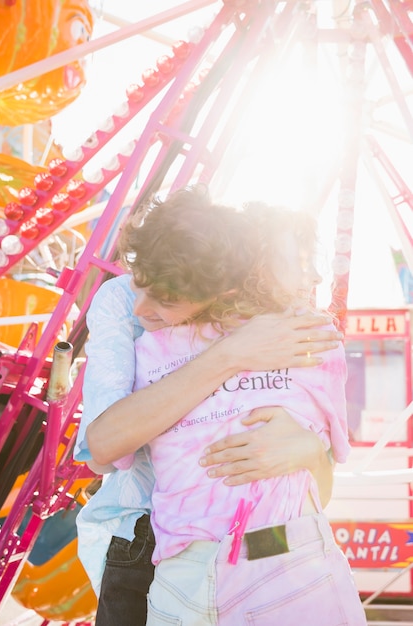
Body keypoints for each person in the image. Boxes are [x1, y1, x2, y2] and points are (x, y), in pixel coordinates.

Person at [87, 189, 365, 625]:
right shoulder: (127, 306)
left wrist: (309, 450)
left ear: (221, 285)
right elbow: (103, 446)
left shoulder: (302, 335)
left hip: (259, 546)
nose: (143, 308)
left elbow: (318, 493)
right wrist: (232, 354)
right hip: (156, 544)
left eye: (166, 301)